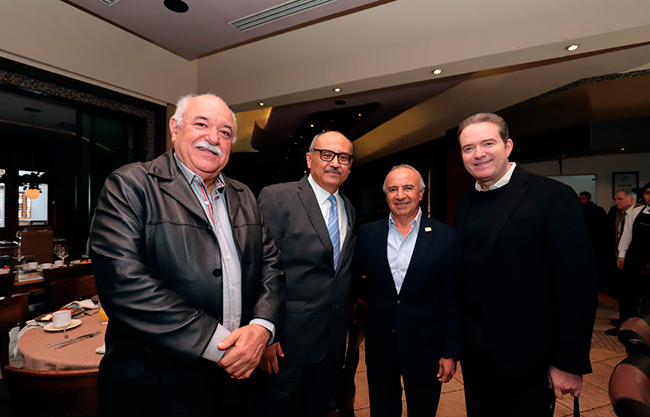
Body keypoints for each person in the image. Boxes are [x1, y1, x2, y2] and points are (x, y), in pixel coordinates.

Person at [89, 93, 286, 417]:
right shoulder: (130, 185)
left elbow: (271, 267)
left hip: (234, 386)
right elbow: (124, 285)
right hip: (154, 388)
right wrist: (219, 346)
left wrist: (262, 329)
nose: (213, 138)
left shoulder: (245, 196)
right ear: (175, 128)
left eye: (224, 132)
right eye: (201, 124)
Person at [455, 112, 597, 417]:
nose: (478, 154)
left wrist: (568, 362)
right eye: (468, 148)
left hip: (529, 358)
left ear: (507, 146)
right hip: (477, 357)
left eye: (487, 143)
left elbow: (577, 286)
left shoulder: (551, 195)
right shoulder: (465, 201)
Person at [254, 131, 356, 417]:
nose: (335, 163)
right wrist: (266, 335)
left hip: (331, 343)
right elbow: (262, 268)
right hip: (287, 344)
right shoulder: (278, 197)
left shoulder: (348, 207)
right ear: (310, 159)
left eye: (343, 158)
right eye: (327, 154)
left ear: (350, 167)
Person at [353, 165, 461, 417]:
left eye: (408, 188)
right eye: (393, 189)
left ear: (421, 193)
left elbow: (453, 298)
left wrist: (450, 351)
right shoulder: (368, 234)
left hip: (427, 348)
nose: (400, 195)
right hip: (380, 347)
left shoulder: (445, 237)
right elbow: (356, 284)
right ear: (386, 195)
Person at [606, 190, 641, 331]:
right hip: (620, 256)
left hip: (635, 258)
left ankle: (632, 324)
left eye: (620, 199)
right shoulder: (618, 213)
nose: (616, 202)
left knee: (633, 293)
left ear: (632, 199)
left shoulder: (640, 212)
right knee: (622, 291)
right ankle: (623, 319)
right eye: (615, 199)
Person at [616, 182, 650, 318]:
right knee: (628, 292)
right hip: (634, 257)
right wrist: (621, 254)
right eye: (647, 193)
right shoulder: (636, 212)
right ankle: (625, 322)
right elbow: (627, 235)